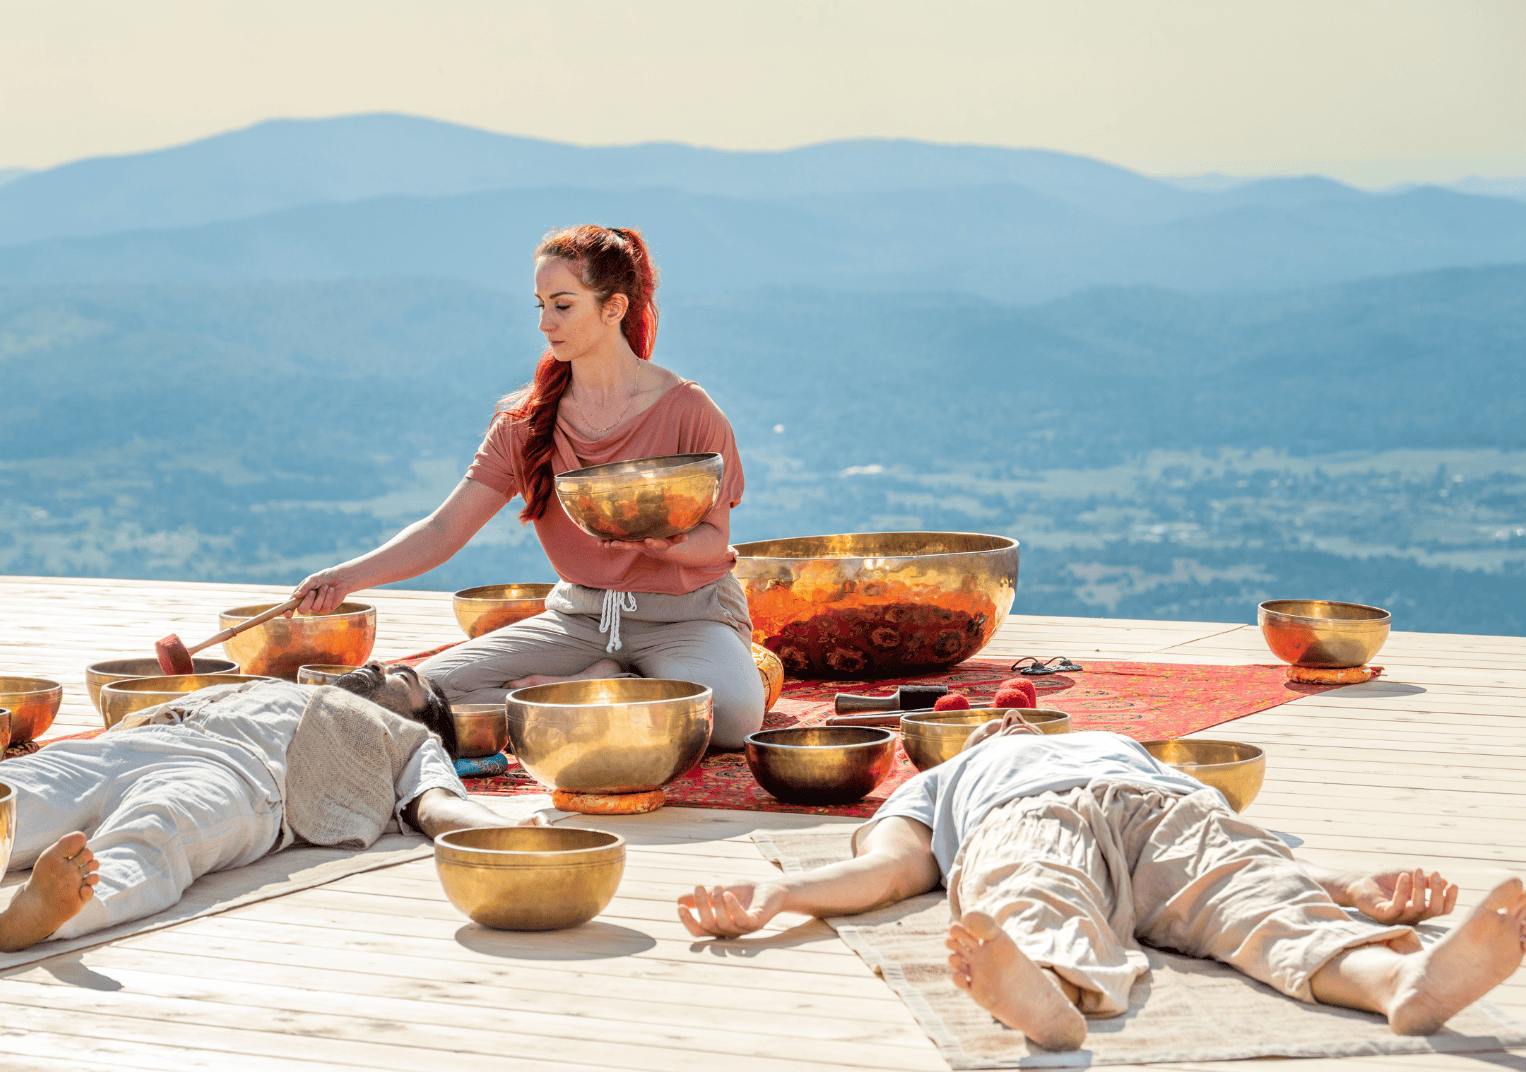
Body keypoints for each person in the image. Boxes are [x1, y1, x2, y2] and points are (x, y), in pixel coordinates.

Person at [678, 712, 1526, 1051]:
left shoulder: (1117, 740)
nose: (1006, 717)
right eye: (986, 719)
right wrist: (781, 897)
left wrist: (1346, 886)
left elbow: (1243, 860)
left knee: (1253, 895)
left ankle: (1401, 981)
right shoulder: (941, 780)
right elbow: (893, 870)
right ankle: (1045, 992)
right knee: (1026, 897)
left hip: (1158, 807)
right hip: (1025, 818)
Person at [289, 225, 764, 749]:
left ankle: (588, 689)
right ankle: (591, 689)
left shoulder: (689, 411)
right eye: (539, 305)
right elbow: (445, 528)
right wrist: (344, 578)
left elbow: (715, 543)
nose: (544, 323)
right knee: (415, 697)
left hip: (686, 616)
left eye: (562, 306)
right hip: (579, 620)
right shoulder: (526, 422)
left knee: (734, 716)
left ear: (614, 308)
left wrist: (666, 545)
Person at [0, 662, 531, 953]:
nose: (377, 665)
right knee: (16, 786)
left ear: (421, 716)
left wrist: (515, 836)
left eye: (403, 678)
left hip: (236, 774)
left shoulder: (412, 741)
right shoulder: (281, 687)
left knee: (159, 831)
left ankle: (42, 914)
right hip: (130, 745)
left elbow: (435, 803)